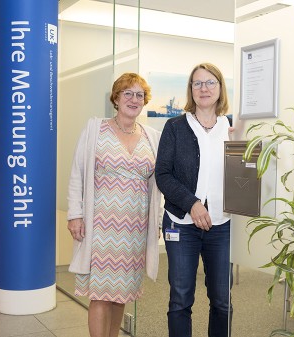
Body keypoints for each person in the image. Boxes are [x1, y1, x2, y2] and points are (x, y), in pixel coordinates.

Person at [67, 72, 162, 337]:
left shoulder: (152, 136)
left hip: (134, 229)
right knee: (100, 294)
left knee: (122, 293)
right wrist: (75, 214)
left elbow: (158, 184)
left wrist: (159, 220)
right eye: (127, 93)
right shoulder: (96, 129)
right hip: (100, 227)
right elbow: (77, 173)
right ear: (116, 99)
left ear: (145, 101)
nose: (134, 99)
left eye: (139, 94)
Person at [155, 63, 233, 337]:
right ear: (190, 89)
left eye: (210, 82)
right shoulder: (175, 126)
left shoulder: (231, 128)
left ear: (220, 88)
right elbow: (162, 174)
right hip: (181, 224)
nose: (204, 89)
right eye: (197, 83)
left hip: (222, 225)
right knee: (180, 299)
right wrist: (192, 203)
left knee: (222, 301)